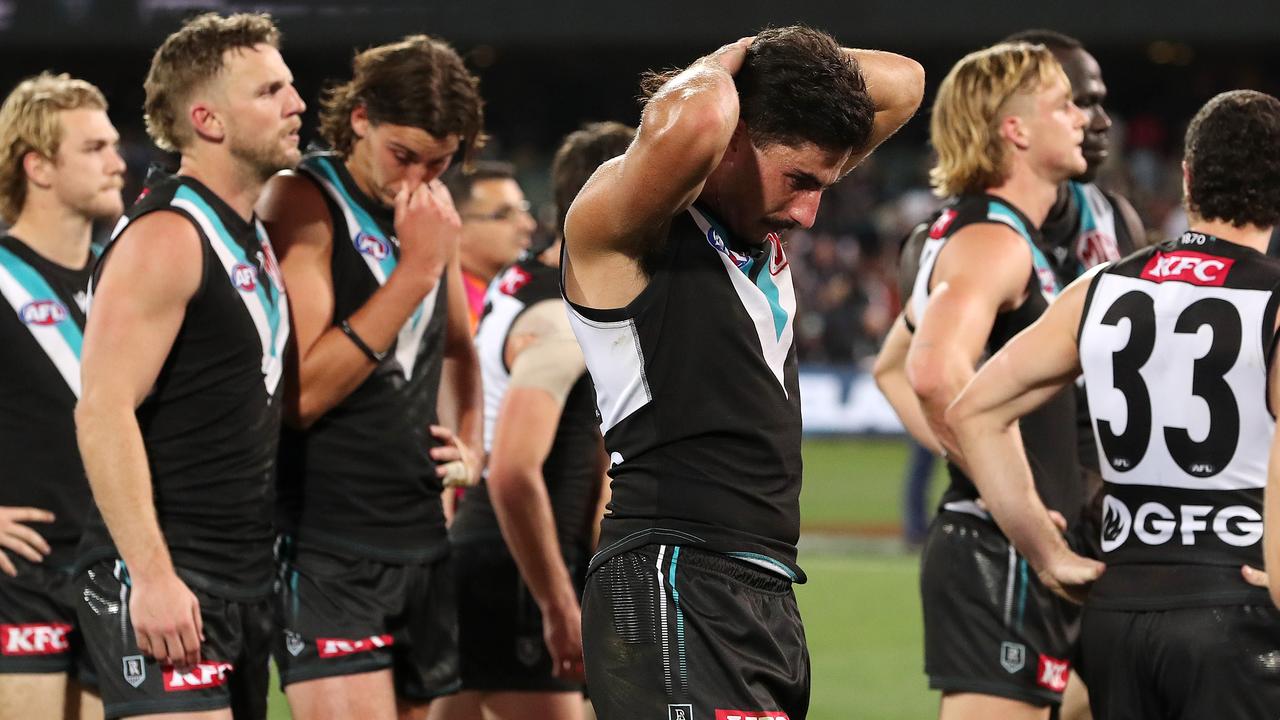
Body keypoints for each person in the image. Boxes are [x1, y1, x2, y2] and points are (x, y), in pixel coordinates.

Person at [561, 26, 924, 719]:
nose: (809, 213)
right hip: (670, 573)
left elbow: (904, 82)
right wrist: (733, 60)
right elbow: (694, 115)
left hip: (765, 592)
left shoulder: (756, 217)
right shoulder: (629, 229)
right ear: (731, 140)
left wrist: (780, 62)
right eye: (799, 182)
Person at [950, 88, 1280, 720]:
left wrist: (1045, 555)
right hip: (1236, 602)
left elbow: (974, 411)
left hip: (1119, 610)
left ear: (1186, 179)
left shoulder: (1101, 288)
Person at [73, 12, 303, 719]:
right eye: (269, 92)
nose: (296, 104)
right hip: (171, 571)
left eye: (289, 86)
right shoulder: (169, 235)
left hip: (239, 578)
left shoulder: (250, 233)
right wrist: (153, 575)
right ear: (207, 119)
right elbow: (102, 408)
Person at [257, 34, 484, 720]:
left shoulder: (427, 212)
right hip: (328, 543)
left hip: (418, 537)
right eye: (404, 155)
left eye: (439, 162)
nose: (417, 178)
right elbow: (302, 392)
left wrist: (471, 444)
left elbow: (457, 350)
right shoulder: (301, 201)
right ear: (360, 117)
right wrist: (417, 270)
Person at [898, 43, 1088, 719]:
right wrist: (1032, 526)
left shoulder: (986, 234)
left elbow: (891, 364)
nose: (1082, 119)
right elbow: (929, 371)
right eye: (1063, 105)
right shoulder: (992, 243)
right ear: (1016, 130)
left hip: (1013, 552)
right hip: (1003, 558)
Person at [435, 121, 634, 720]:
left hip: (488, 553)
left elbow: (462, 362)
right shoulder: (561, 312)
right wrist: (555, 602)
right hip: (519, 565)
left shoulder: (519, 282)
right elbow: (516, 471)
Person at [0, 71, 123, 720]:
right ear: (38, 167)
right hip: (19, 577)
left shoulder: (123, 278)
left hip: (109, 567)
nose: (117, 161)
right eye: (95, 149)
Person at [444, 161, 537, 331]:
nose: (528, 225)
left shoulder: (515, 292)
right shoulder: (438, 309)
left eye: (523, 210)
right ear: (456, 226)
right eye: (504, 214)